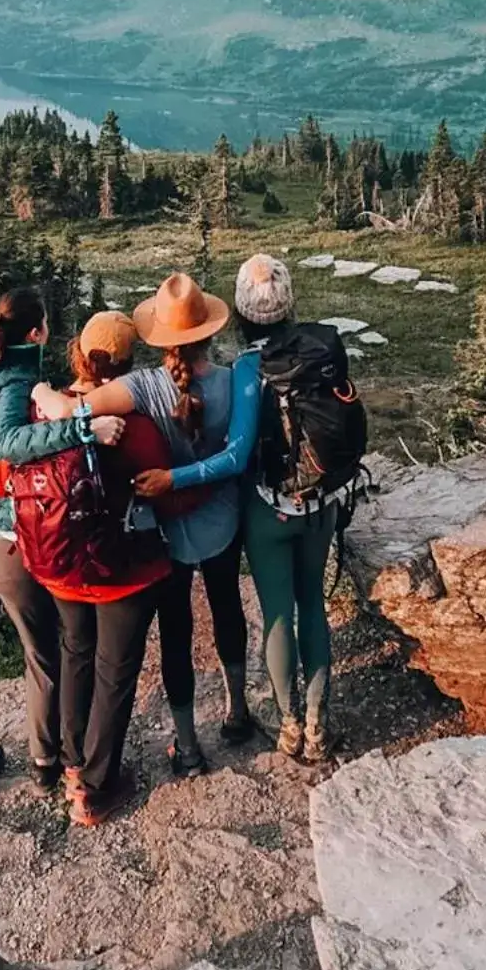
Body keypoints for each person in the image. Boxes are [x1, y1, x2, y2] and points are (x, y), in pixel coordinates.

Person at [0, 310, 183, 826]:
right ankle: (98, 788)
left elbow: (11, 472)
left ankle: (70, 766)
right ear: (128, 364)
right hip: (122, 571)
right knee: (114, 672)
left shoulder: (44, 410)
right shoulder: (137, 425)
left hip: (59, 566)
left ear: (80, 354)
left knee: (75, 654)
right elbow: (164, 497)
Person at [33, 271, 254, 772]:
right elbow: (239, 454)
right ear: (209, 332)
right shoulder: (234, 380)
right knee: (227, 610)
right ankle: (237, 711)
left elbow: (77, 410)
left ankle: (188, 747)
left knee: (177, 631)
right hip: (221, 522)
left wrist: (46, 395)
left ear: (158, 338)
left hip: (168, 533)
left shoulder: (141, 386)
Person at [134, 255, 340, 764]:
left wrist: (173, 478)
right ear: (289, 303)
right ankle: (318, 724)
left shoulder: (247, 370)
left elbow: (237, 454)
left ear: (243, 315)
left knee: (277, 613)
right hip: (321, 503)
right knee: (312, 603)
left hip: (270, 510)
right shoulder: (326, 349)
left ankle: (289, 725)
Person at [0, 285, 125, 806]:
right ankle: (45, 761)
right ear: (37, 332)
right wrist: (82, 429)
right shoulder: (20, 377)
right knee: (43, 653)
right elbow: (10, 442)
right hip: (3, 542)